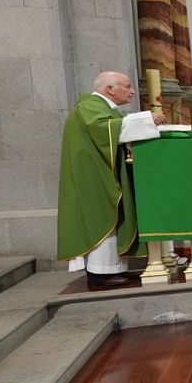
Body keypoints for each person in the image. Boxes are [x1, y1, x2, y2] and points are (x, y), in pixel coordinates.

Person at [56, 70, 161, 289]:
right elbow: (106, 131)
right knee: (104, 217)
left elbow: (116, 131)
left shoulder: (102, 108)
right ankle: (99, 274)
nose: (132, 92)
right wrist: (146, 120)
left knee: (114, 216)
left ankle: (114, 269)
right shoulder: (89, 108)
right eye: (128, 86)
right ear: (109, 89)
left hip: (102, 173)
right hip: (94, 178)